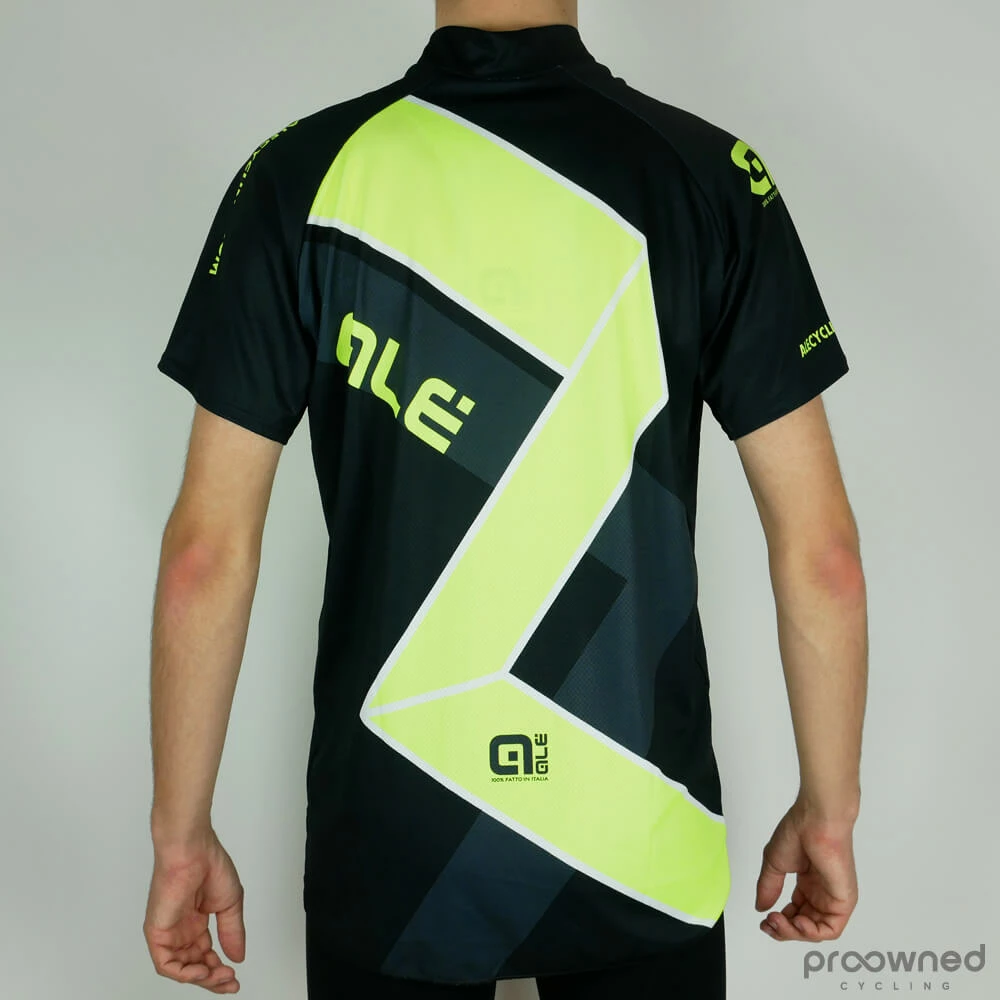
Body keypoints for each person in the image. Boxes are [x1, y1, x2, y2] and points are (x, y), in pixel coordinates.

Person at [144, 0, 868, 996]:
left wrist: (179, 835)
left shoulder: (299, 176)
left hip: (392, 847)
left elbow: (205, 556)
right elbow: (824, 556)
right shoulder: (709, 174)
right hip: (637, 843)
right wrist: (830, 811)